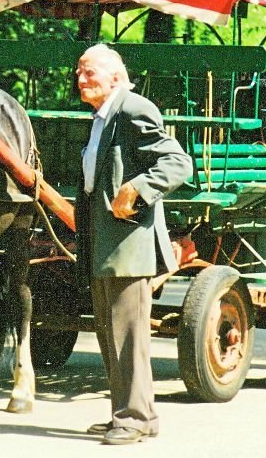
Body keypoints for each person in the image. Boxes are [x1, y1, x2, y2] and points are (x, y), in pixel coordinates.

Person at [74, 44, 192, 445]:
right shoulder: (102, 116)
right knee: (111, 335)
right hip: (104, 242)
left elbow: (177, 163)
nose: (81, 79)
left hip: (129, 245)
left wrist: (138, 188)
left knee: (128, 335)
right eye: (79, 72)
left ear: (115, 77)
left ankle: (134, 416)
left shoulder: (132, 109)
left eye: (89, 72)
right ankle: (131, 414)